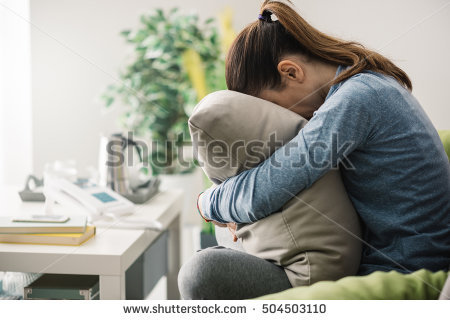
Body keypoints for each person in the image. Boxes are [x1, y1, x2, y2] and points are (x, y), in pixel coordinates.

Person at [178, 0, 450, 299]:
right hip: (395, 259)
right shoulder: (372, 84)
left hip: (404, 272)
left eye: (275, 106)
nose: (290, 119)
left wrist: (206, 203)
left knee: (204, 271)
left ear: (291, 72)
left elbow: (266, 189)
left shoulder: (358, 99)